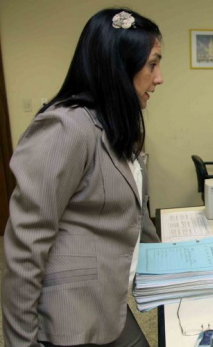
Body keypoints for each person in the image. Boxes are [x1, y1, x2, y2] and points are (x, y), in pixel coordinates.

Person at [2, 8, 163, 346]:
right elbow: (24, 249)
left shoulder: (115, 125)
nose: (159, 77)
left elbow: (133, 210)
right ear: (120, 67)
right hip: (70, 317)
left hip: (108, 300)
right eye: (152, 64)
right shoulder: (65, 128)